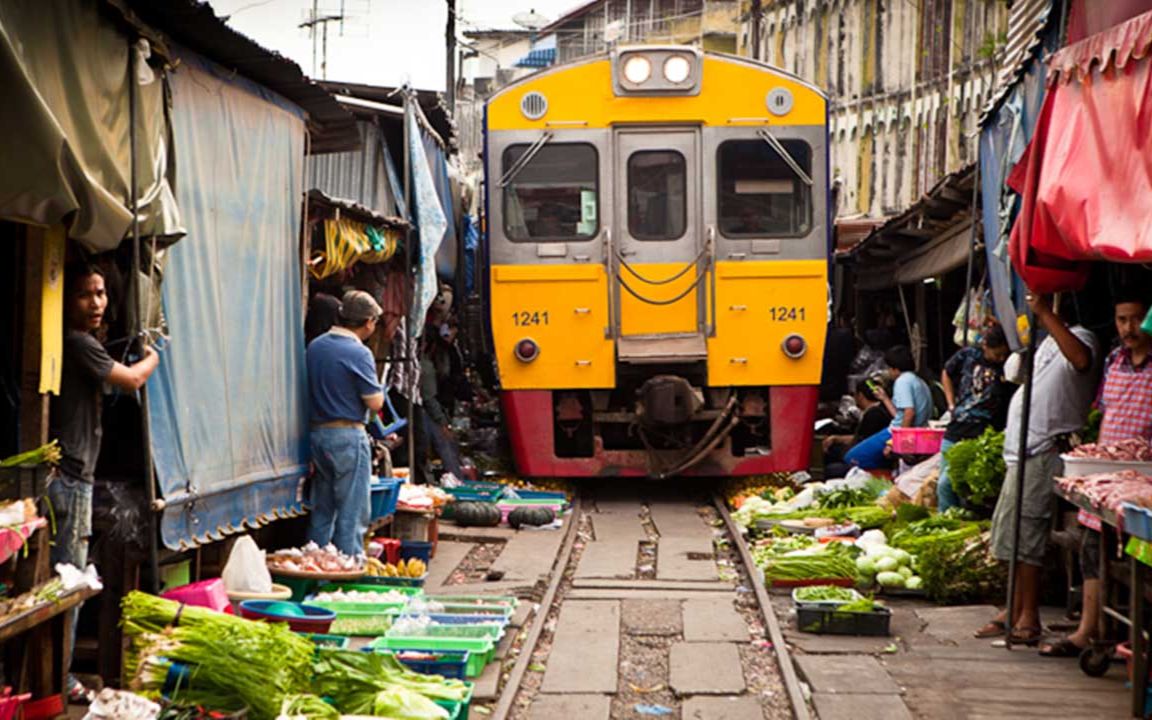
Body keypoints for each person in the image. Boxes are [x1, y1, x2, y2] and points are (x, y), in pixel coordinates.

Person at [50, 262, 160, 699]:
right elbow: (131, 379)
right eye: (84, 294)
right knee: (69, 579)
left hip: (72, 475)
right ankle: (61, 680)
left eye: (101, 293)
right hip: (71, 479)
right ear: (66, 300)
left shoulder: (84, 344)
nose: (96, 303)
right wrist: (154, 354)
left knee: (67, 578)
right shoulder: (78, 343)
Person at [975, 292, 1099, 646]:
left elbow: (1080, 359)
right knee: (1010, 535)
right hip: (1022, 452)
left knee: (1027, 537)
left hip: (1043, 450)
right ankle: (1013, 608)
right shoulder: (1047, 344)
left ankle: (1028, 618)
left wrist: (1045, 314)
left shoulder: (1082, 338)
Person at [1040, 288, 1152, 658]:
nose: (1129, 327)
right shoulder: (1114, 361)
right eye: (1122, 320)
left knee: (1139, 556)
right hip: (1104, 473)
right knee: (1091, 548)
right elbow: (1102, 409)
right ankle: (1088, 631)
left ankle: (1133, 635)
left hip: (1142, 477)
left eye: (1135, 318)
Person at [306, 290, 385, 556]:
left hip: (318, 435)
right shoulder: (358, 352)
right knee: (352, 512)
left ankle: (317, 565)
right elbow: (375, 403)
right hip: (348, 437)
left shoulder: (315, 346)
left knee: (323, 509)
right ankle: (350, 566)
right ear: (368, 322)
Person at [936, 325, 1012, 511]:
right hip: (957, 427)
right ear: (985, 346)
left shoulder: (1008, 365)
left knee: (952, 483)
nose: (1001, 359)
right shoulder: (968, 354)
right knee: (944, 485)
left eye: (1004, 354)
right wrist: (951, 403)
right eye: (997, 354)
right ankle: (946, 520)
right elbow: (946, 372)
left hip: (983, 433)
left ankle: (956, 518)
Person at [843, 345, 932, 470]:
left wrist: (898, 442)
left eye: (889, 369)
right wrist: (884, 398)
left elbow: (909, 413)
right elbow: (900, 415)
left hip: (897, 432)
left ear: (895, 369)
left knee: (853, 457)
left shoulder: (902, 382)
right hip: (917, 432)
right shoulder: (919, 381)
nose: (888, 373)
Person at [822, 379, 891, 478]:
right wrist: (836, 438)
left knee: (832, 465)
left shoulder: (874, 414)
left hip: (869, 462)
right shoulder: (880, 410)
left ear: (860, 395)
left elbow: (862, 440)